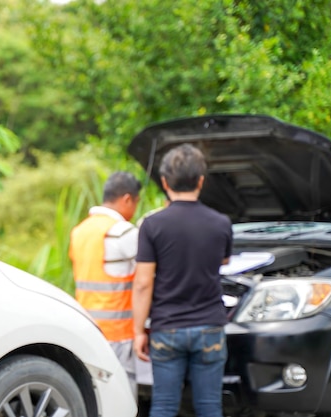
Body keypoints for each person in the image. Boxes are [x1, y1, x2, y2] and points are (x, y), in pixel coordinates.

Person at [132, 143, 232, 417]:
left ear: (164, 182)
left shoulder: (152, 226)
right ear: (201, 180)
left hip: (167, 328)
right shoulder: (221, 222)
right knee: (210, 407)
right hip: (210, 326)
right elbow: (223, 261)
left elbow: (142, 283)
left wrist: (139, 330)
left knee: (164, 406)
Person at [69, 171, 142, 399]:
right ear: (127, 199)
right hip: (119, 331)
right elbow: (148, 276)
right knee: (122, 395)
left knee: (97, 395)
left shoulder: (80, 230)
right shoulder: (123, 232)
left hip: (88, 327)